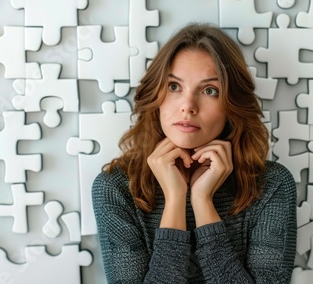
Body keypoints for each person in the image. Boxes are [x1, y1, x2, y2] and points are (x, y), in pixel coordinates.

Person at [92, 23, 297, 283]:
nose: (188, 106)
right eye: (174, 87)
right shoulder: (116, 187)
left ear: (232, 105)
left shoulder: (272, 185)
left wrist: (203, 201)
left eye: (210, 90)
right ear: (155, 94)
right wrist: (176, 199)